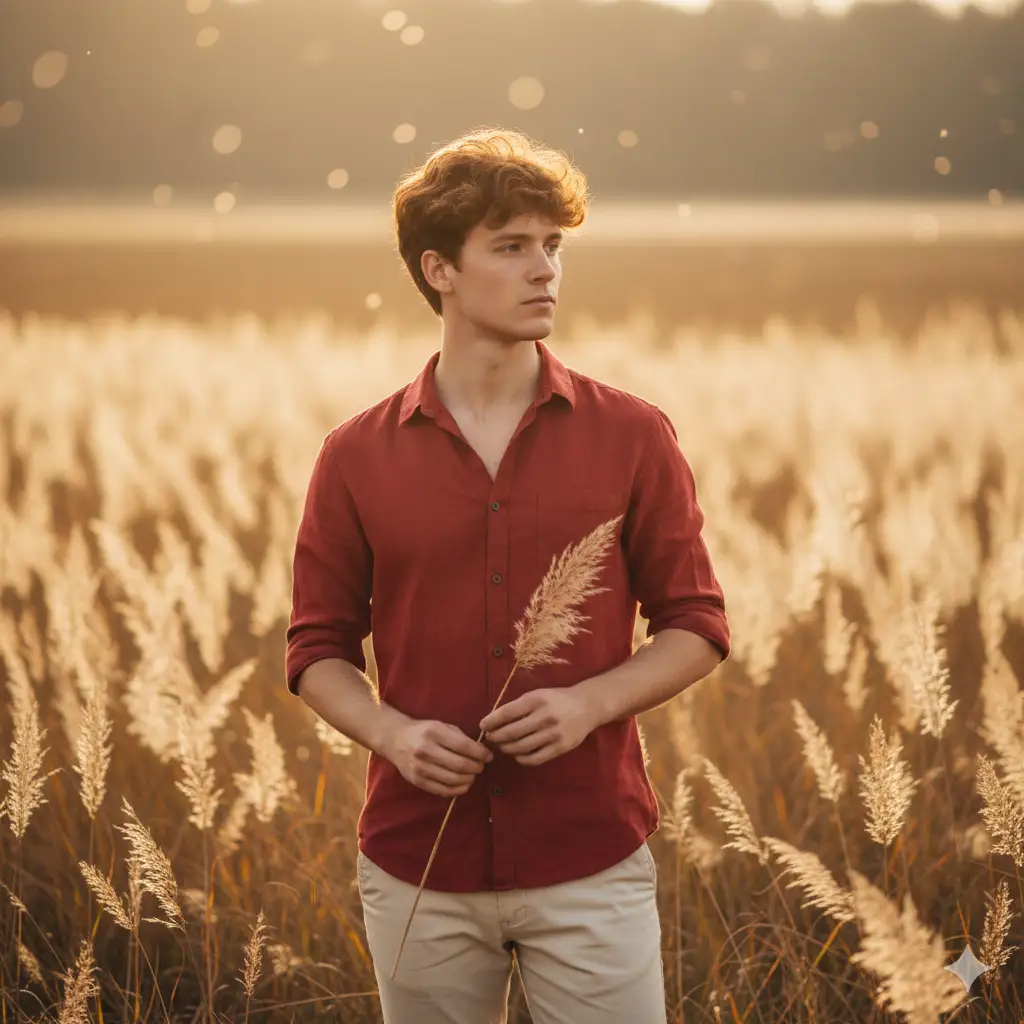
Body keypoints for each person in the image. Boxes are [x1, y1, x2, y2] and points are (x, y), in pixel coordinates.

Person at [286, 128, 730, 1024]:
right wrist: (392, 735)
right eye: (512, 247)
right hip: (420, 865)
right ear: (438, 270)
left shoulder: (634, 435)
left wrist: (588, 705)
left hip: (590, 857)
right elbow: (316, 649)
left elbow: (697, 626)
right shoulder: (353, 455)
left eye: (553, 247)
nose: (545, 271)